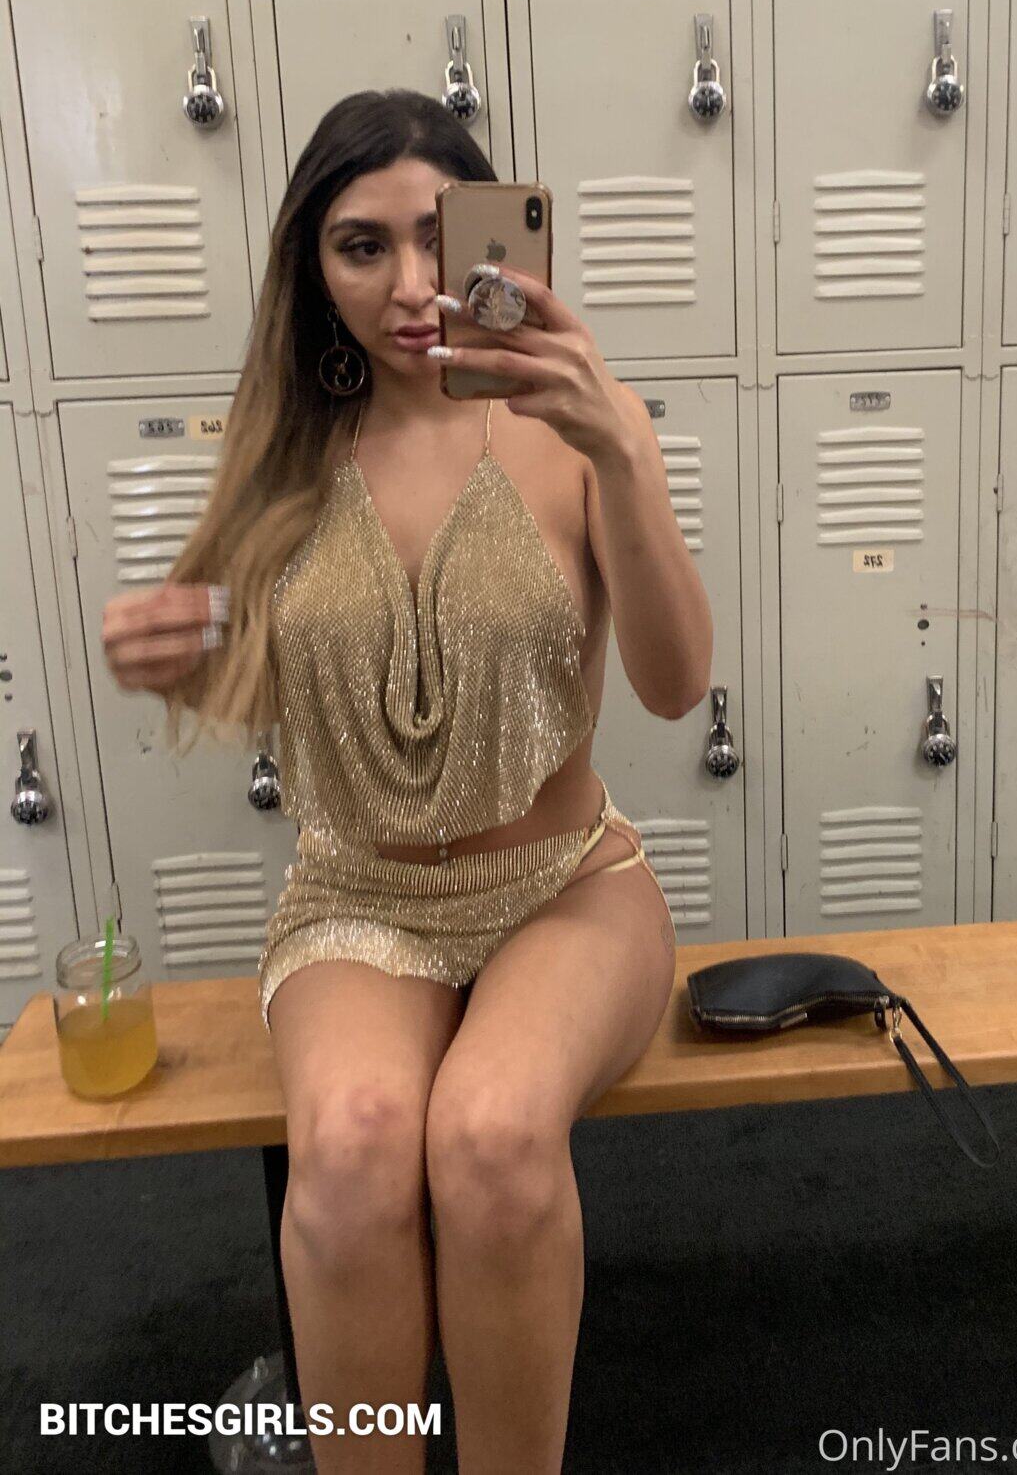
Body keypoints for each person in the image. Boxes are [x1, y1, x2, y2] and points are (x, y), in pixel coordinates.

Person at [100, 89, 714, 1474]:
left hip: (564, 885)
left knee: (491, 1137)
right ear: (313, 270)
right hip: (358, 894)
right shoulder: (283, 450)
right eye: (362, 246)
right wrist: (175, 654)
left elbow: (676, 684)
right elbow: (253, 677)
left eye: (442, 236)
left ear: (501, 237)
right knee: (354, 1148)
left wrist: (621, 447)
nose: (412, 283)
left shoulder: (577, 432)